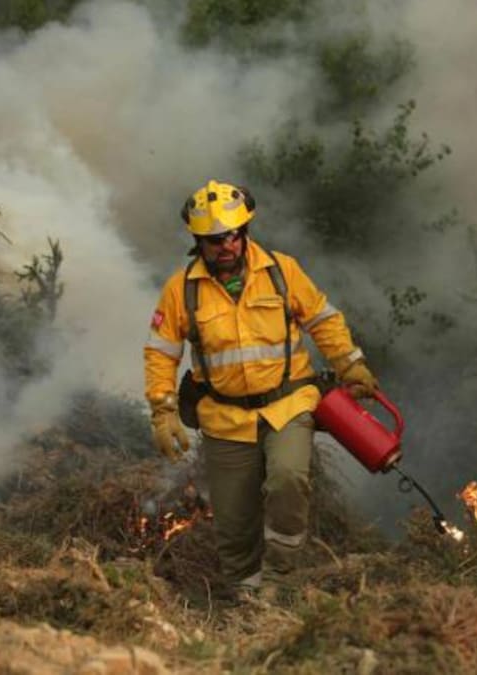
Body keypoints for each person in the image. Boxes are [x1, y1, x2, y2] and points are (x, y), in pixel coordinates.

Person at [143, 179, 378, 595]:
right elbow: (161, 354)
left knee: (288, 479)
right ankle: (246, 602)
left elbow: (323, 320)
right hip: (224, 417)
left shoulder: (281, 271)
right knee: (234, 521)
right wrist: (162, 412)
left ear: (245, 231)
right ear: (199, 242)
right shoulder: (181, 291)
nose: (225, 246)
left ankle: (280, 582)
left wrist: (351, 365)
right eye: (214, 240)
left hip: (288, 403)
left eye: (232, 235)